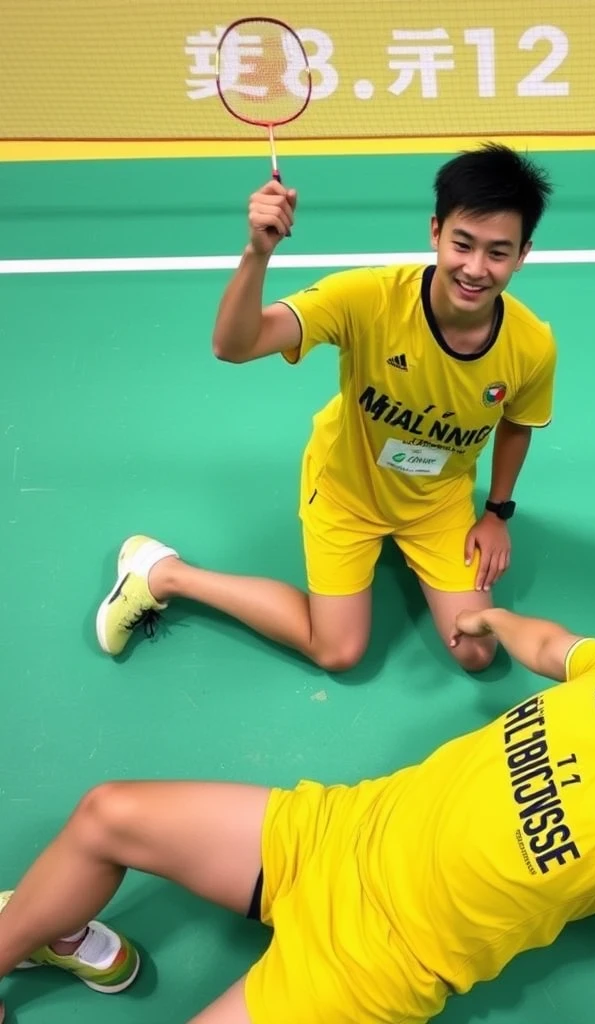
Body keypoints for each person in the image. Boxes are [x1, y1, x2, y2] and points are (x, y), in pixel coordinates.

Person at [0, 607, 595, 1024]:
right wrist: (495, 622)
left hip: (365, 971)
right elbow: (556, 646)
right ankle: (35, 938)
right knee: (106, 813)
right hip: (335, 834)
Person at [94, 143, 557, 675]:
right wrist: (257, 252)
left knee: (476, 650)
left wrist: (497, 513)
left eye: (498, 252)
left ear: (523, 254)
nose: (475, 268)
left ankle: (416, 548)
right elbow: (234, 345)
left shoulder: (531, 345)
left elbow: (518, 423)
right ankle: (163, 574)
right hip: (348, 491)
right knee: (338, 651)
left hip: (437, 502)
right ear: (435, 232)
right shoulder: (367, 298)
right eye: (462, 244)